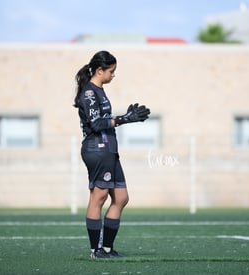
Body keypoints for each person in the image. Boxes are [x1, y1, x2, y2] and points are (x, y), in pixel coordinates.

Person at [73, 50, 150, 259]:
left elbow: (105, 119)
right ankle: (95, 250)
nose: (113, 75)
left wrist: (125, 117)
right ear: (100, 70)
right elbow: (97, 124)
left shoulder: (100, 90)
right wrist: (125, 119)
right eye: (111, 71)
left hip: (109, 149)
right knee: (99, 197)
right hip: (96, 149)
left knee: (121, 197)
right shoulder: (89, 93)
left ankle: (107, 248)